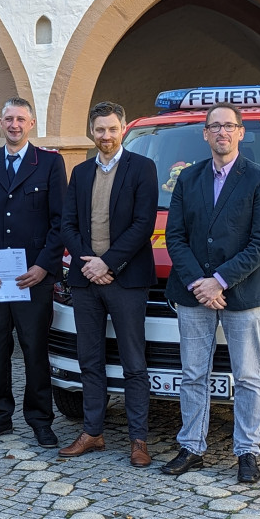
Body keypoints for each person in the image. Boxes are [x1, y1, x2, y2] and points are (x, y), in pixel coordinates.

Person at [162, 103, 260, 483]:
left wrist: (220, 280)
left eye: (229, 126)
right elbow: (174, 237)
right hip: (193, 291)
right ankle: (192, 446)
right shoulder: (188, 178)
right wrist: (200, 282)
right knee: (193, 373)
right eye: (215, 126)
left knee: (248, 377)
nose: (222, 132)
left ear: (241, 133)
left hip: (242, 294)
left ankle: (247, 451)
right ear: (205, 134)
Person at [58, 102, 158, 467]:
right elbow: (67, 224)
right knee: (90, 360)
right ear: (91, 131)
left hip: (126, 279)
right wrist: (89, 263)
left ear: (123, 128)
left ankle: (138, 439)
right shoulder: (81, 173)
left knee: (134, 362)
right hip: (87, 281)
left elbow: (143, 224)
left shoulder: (142, 168)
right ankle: (93, 432)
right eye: (99, 130)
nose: (106, 136)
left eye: (112, 129)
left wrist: (108, 262)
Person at [0, 97, 67, 447]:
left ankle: (40, 419)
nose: (14, 125)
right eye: (9, 119)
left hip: (32, 277)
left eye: (21, 120)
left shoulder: (50, 164)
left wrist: (43, 266)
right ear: (0, 121)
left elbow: (60, 222)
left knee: (34, 348)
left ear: (31, 123)